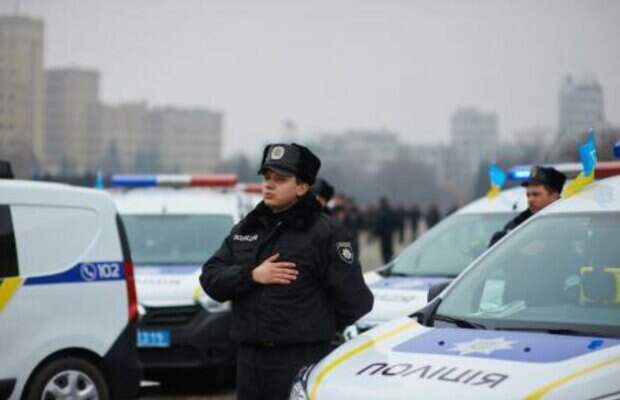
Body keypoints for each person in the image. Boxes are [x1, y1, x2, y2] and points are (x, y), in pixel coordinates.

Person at [200, 143, 373, 400]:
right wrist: (251, 275)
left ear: (302, 187)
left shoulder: (325, 233)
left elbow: (356, 300)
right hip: (249, 362)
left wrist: (313, 327)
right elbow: (210, 277)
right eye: (267, 178)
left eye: (280, 179)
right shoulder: (247, 228)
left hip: (300, 360)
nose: (269, 185)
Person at [489, 165, 566, 247]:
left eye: (536, 194)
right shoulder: (520, 222)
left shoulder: (567, 221)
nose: (530, 200)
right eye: (528, 195)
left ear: (554, 196)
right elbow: (496, 246)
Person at [374, 196, 397, 264]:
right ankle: (389, 261)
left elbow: (378, 223)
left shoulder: (381, 212)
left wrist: (377, 233)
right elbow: (394, 222)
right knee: (389, 250)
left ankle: (387, 262)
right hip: (388, 234)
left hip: (384, 234)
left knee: (385, 251)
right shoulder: (390, 211)